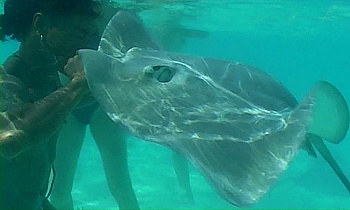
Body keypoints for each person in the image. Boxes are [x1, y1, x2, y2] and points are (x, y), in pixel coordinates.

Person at [50, 5, 193, 209]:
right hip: (70, 103)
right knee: (59, 189)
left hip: (103, 104)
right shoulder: (61, 11)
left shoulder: (116, 12)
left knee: (120, 185)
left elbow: (137, 58)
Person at [0, 0, 110, 209]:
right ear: (41, 25)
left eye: (91, 36)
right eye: (79, 33)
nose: (88, 47)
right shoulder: (6, 81)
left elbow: (56, 106)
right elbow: (10, 140)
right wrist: (78, 84)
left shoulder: (44, 75)